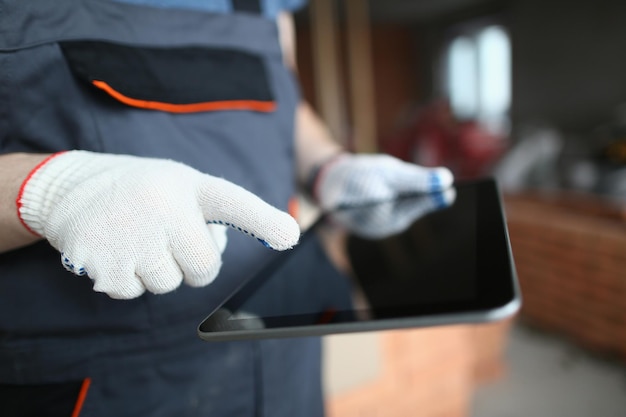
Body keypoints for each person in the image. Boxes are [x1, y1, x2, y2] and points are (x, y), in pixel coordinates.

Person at [0, 0, 454, 415]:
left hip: (283, 352)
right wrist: (49, 189)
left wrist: (327, 165)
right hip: (105, 380)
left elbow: (284, 95)